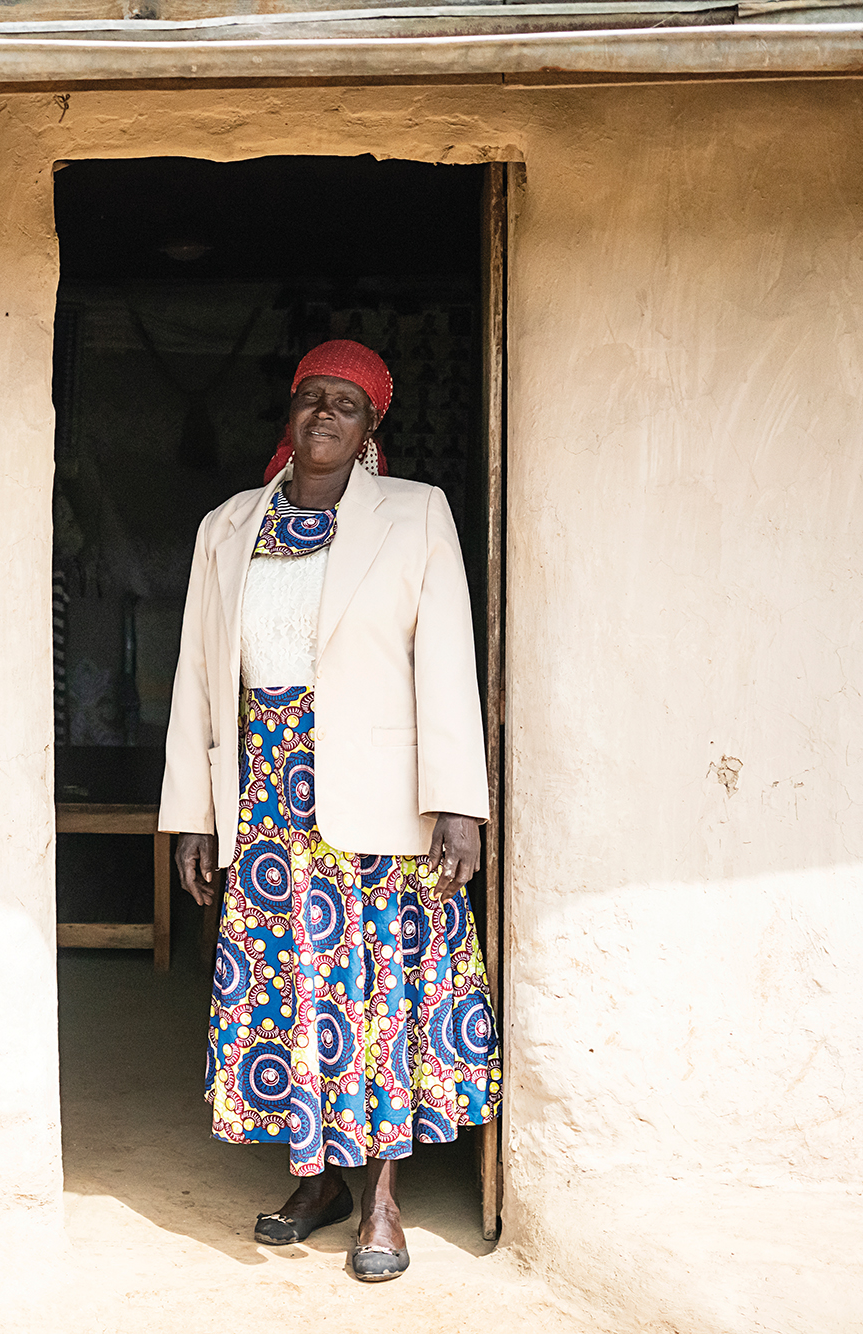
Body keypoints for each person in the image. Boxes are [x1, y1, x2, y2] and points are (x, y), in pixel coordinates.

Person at [159, 339, 500, 1283]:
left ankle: (381, 1198)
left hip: (379, 799)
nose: (324, 415)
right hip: (264, 796)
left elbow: (447, 663)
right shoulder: (229, 524)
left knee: (375, 992)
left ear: (369, 427)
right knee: (291, 987)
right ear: (290, 411)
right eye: (312, 397)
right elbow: (198, 676)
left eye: (346, 404)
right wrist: (193, 814)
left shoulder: (415, 513)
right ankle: (316, 1181)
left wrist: (458, 804)